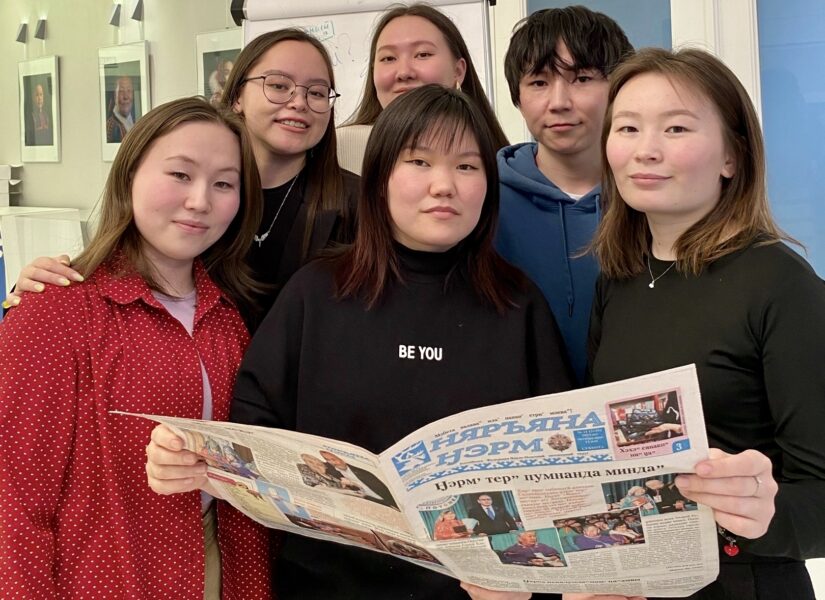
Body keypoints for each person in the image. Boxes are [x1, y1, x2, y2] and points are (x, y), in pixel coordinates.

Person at [146, 84, 573, 600]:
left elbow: (562, 466)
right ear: (380, 178)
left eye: (466, 166)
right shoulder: (316, 292)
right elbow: (252, 434)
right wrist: (190, 460)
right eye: (419, 162)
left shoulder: (517, 303)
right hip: (324, 586)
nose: (444, 186)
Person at [0, 97, 270, 598]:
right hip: (103, 577)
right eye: (180, 174)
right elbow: (14, 502)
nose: (200, 201)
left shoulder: (229, 318)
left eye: (224, 184)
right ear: (130, 174)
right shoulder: (53, 312)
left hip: (218, 569)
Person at [589, 47, 825, 599]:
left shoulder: (781, 284)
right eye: (627, 127)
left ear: (731, 158)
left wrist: (759, 512)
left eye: (675, 128)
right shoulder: (618, 278)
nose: (646, 150)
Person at [9, 29, 358, 325]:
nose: (299, 102)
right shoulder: (177, 201)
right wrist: (38, 292)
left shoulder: (359, 204)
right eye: (279, 85)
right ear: (236, 95)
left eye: (316, 92)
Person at [495, 7, 633, 384]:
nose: (559, 102)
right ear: (517, 97)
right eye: (539, 82)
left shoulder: (648, 197)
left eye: (582, 79)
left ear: (619, 89)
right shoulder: (483, 198)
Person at [337, 2, 508, 174]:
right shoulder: (341, 152)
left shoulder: (501, 165)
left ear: (458, 71)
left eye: (423, 54)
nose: (404, 72)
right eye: (388, 58)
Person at [319, 450, 399, 509]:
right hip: (368, 503)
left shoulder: (361, 469)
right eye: (328, 460)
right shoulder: (332, 472)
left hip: (386, 499)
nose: (333, 463)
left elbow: (382, 487)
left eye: (334, 459)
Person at [106, 75, 136, 143]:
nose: (126, 97)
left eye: (129, 90)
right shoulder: (109, 128)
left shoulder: (137, 122)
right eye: (121, 91)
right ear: (115, 96)